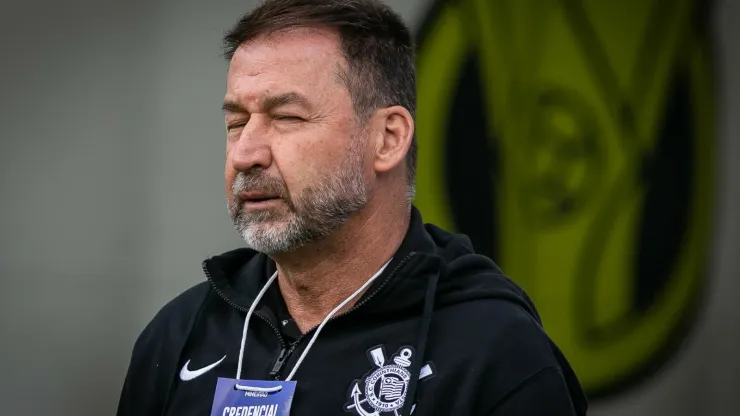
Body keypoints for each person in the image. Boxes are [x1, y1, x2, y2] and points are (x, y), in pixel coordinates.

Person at [116, 0, 588, 415]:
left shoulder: (494, 354)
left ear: (387, 138)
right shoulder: (182, 334)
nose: (245, 153)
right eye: (237, 122)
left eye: (286, 117)